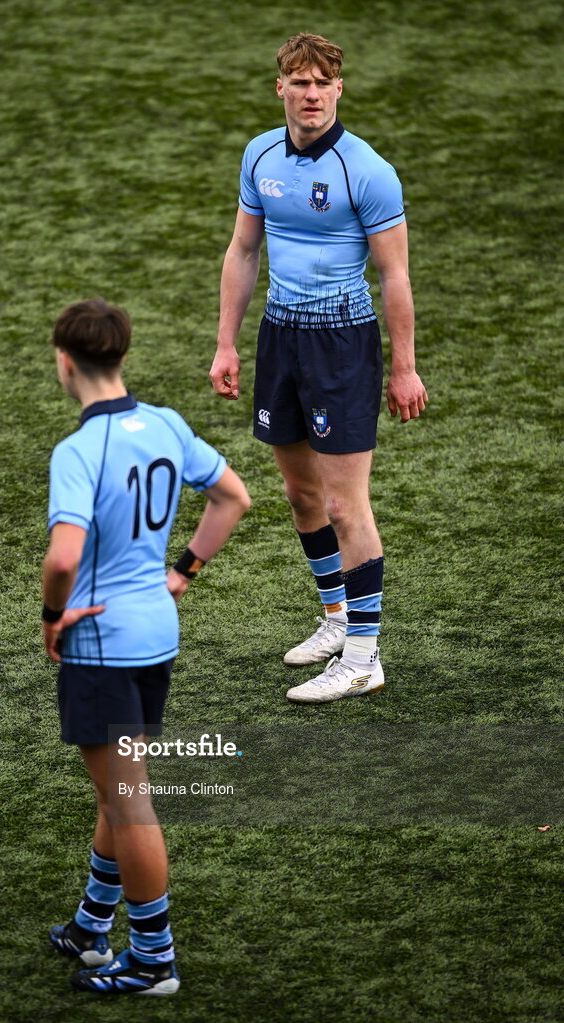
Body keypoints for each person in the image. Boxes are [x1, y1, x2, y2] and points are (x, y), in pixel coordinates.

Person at [209, 32, 428, 704]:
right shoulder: (260, 155)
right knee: (302, 497)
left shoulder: (367, 170)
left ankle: (364, 655)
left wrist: (403, 368)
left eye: (321, 83)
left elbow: (394, 276)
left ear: (338, 89)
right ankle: (336, 622)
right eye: (297, 82)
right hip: (281, 337)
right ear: (279, 87)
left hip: (341, 344)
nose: (310, 94)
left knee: (342, 503)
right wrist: (226, 343)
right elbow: (243, 251)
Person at [42, 298, 250, 995]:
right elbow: (232, 497)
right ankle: (91, 926)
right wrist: (182, 572)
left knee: (128, 801)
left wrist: (51, 613)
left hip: (101, 642)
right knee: (116, 791)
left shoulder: (77, 451)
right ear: (122, 357)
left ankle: (153, 958)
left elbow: (64, 556)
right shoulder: (163, 423)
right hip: (156, 634)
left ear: (65, 363)